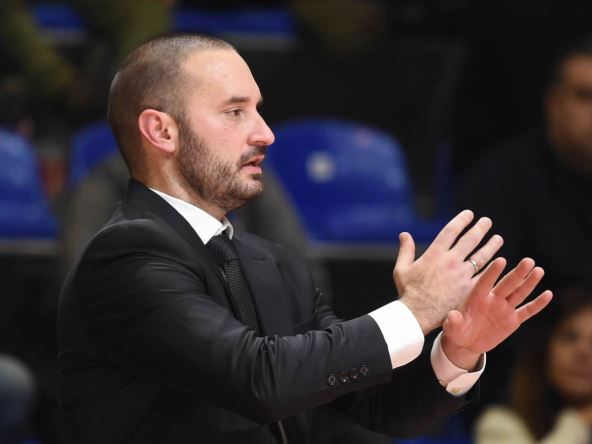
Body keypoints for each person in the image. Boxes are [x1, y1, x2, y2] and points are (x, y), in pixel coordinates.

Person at [58, 34, 552, 444]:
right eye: (235, 112)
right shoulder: (125, 256)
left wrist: (456, 352)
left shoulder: (273, 264)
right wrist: (413, 311)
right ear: (161, 131)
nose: (265, 133)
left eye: (258, 110)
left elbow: (376, 408)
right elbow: (258, 379)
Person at [474, 286, 592, 443]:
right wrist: (579, 423)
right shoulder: (499, 423)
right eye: (569, 337)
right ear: (543, 350)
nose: (583, 351)